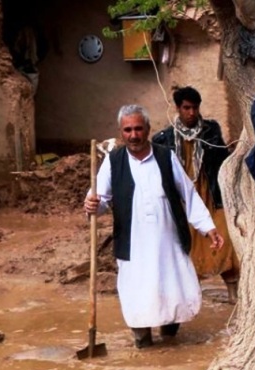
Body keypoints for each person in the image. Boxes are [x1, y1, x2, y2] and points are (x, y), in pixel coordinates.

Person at [84, 104, 224, 348]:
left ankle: (170, 340)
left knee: (172, 290)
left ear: (148, 129)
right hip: (133, 243)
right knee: (137, 292)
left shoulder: (165, 156)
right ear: (121, 132)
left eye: (138, 128)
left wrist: (208, 227)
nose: (134, 135)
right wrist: (92, 205)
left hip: (168, 241)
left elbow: (188, 195)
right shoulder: (113, 162)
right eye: (128, 130)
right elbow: (100, 201)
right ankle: (143, 342)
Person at [151, 87, 241, 304]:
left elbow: (222, 162)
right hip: (182, 201)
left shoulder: (211, 131)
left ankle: (232, 293)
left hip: (211, 195)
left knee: (224, 240)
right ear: (178, 108)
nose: (191, 112)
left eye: (195, 107)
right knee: (187, 246)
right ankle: (191, 296)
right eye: (186, 108)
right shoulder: (164, 138)